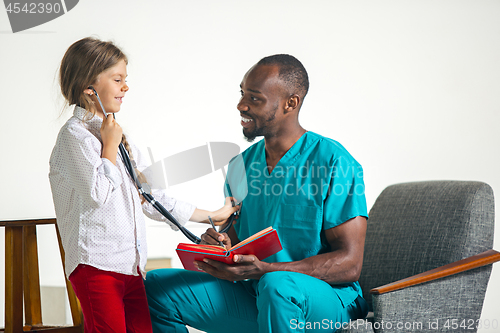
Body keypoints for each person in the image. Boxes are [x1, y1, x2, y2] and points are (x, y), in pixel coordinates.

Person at [144, 54, 369, 333]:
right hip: (259, 292)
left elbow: (350, 264)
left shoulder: (335, 162)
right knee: (156, 287)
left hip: (326, 301)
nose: (241, 105)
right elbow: (238, 239)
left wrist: (268, 271)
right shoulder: (241, 165)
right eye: (241, 93)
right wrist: (220, 245)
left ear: (291, 103)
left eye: (255, 98)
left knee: (278, 286)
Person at [49, 37, 238, 333]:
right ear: (89, 87)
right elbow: (97, 194)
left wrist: (209, 215)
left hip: (131, 267)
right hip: (96, 266)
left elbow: (150, 197)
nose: (126, 87)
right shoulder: (74, 137)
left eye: (126, 79)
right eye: (117, 79)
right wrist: (109, 147)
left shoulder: (119, 137)